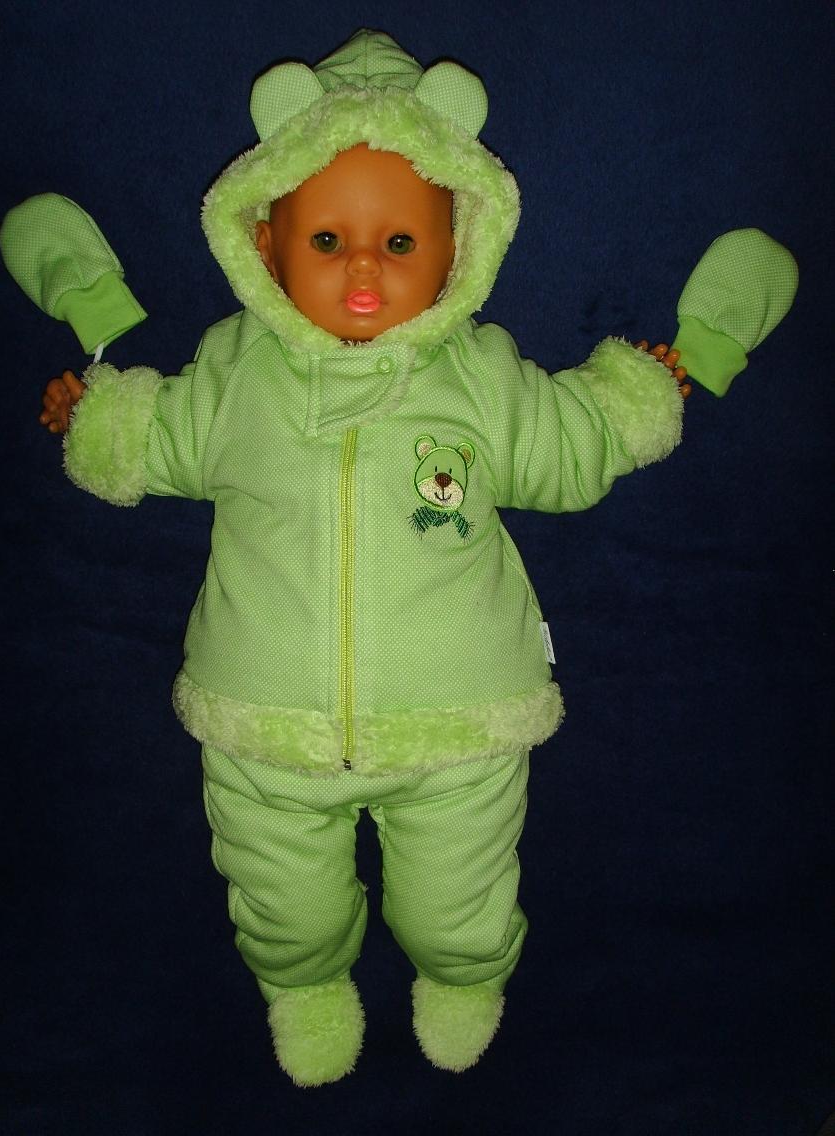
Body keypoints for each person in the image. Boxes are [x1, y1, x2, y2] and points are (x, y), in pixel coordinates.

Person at [37, 31, 690, 1087]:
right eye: (329, 238)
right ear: (265, 242)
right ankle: (301, 982)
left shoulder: (480, 377)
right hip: (266, 728)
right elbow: (155, 437)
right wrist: (96, 418)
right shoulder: (232, 374)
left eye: (398, 241)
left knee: (456, 906)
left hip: (459, 722)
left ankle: (466, 972)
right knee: (282, 905)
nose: (363, 270)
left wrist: (636, 397)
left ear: (458, 244)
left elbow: (569, 445)